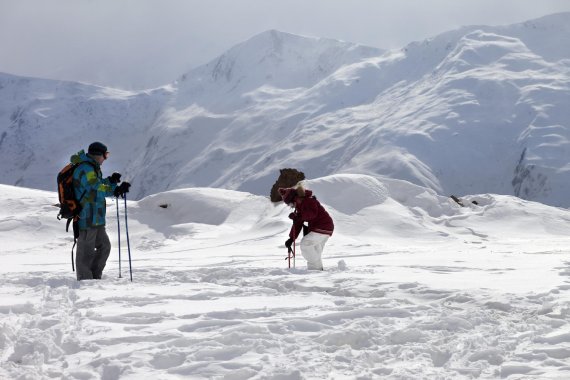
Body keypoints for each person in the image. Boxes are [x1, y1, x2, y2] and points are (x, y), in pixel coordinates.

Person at [71, 142, 131, 280]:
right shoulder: (86, 168)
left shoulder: (92, 167)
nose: (106, 158)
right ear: (98, 155)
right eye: (106, 155)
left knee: (104, 247)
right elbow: (95, 188)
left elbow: (97, 184)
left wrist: (111, 181)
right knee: (86, 252)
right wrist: (114, 189)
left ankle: (94, 277)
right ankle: (85, 280)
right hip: (86, 217)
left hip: (96, 217)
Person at [279, 184, 334, 270]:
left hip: (322, 226)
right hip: (324, 228)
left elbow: (312, 214)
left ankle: (315, 267)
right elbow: (298, 223)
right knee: (315, 250)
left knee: (306, 244)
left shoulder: (309, 201)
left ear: (295, 199)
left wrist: (298, 216)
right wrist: (291, 238)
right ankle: (317, 273)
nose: (291, 206)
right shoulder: (300, 206)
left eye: (290, 203)